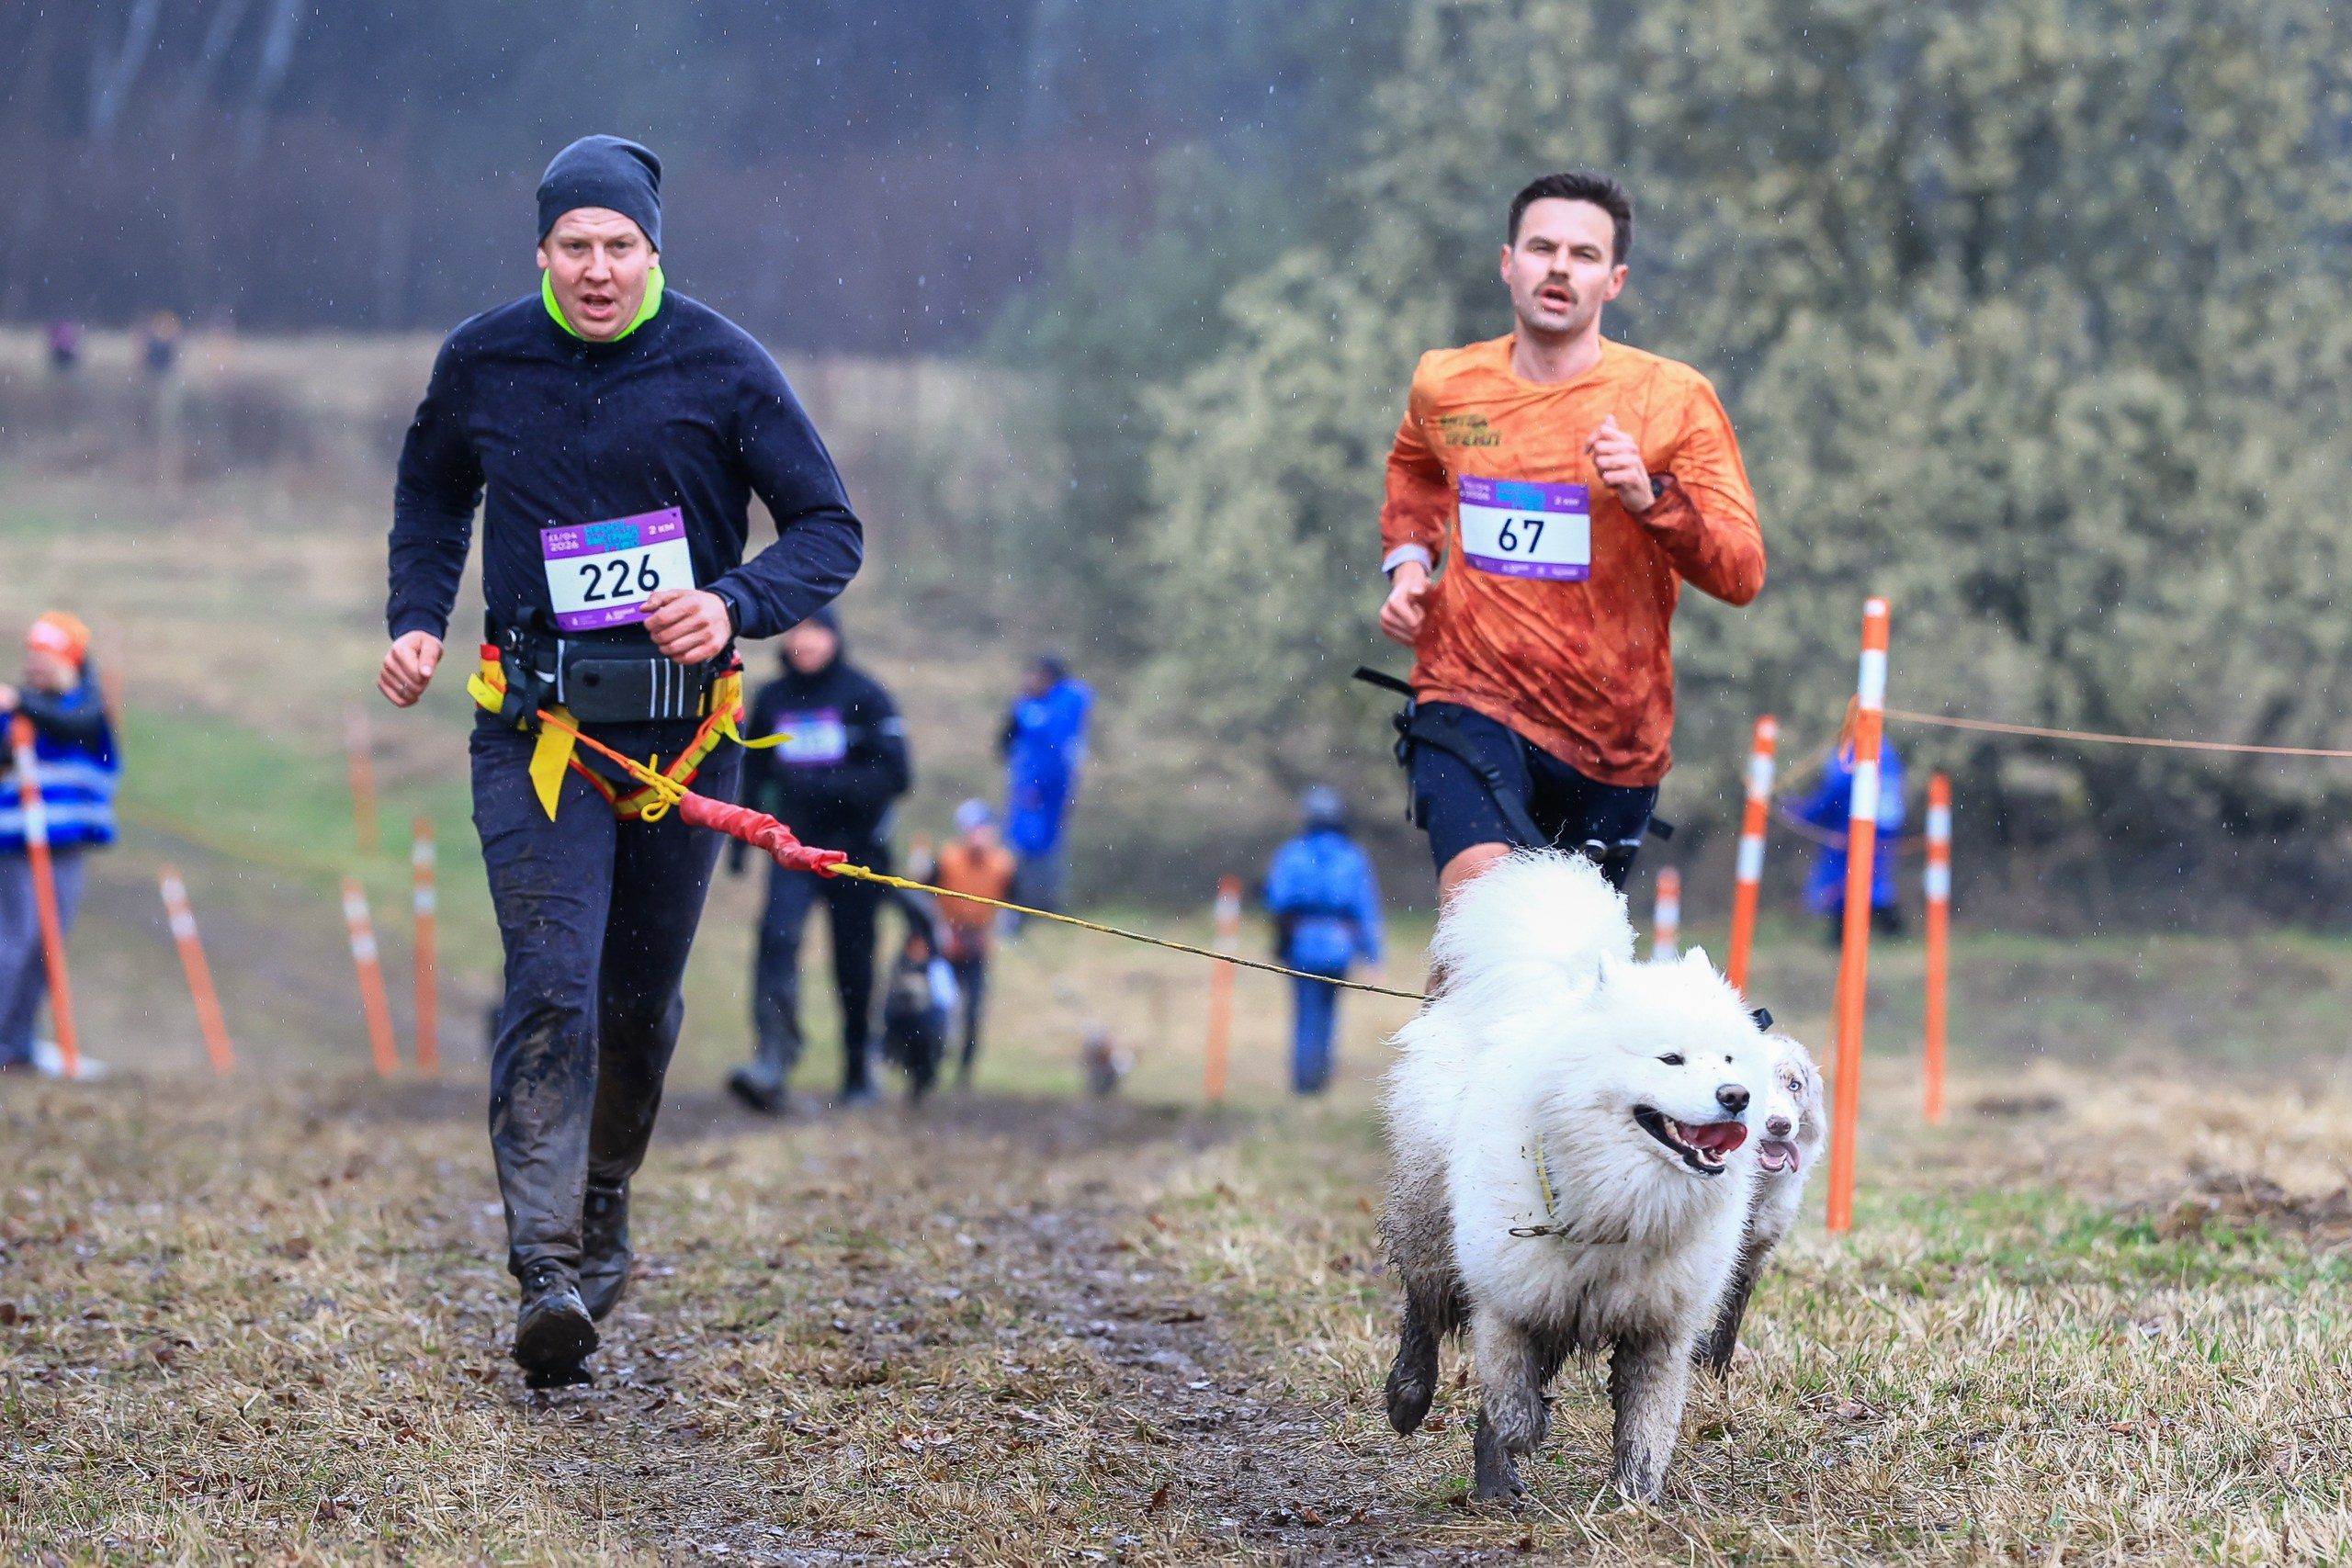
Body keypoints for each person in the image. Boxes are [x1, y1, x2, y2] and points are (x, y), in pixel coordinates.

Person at [377, 134, 863, 1385]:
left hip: (687, 745)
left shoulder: (722, 364)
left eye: (620, 246)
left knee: (638, 1007)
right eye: (575, 246)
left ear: (655, 249)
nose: (598, 270)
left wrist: (738, 599)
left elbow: (829, 526)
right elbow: (432, 491)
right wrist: (420, 614)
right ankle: (543, 1267)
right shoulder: (484, 359)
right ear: (542, 251)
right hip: (536, 737)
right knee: (552, 982)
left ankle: (601, 1204)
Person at [1375, 171, 1763, 905]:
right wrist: (1408, 565)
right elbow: (1417, 468)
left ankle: (1451, 1019)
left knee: (1547, 969)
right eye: (1541, 247)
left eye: (1583, 255)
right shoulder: (1447, 384)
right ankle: (1462, 995)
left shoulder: (1670, 400)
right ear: (1507, 263)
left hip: (1612, 741)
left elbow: (1742, 572)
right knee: (1483, 907)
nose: (1559, 266)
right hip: (1468, 696)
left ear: (1613, 281)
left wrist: (1654, 500)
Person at [724, 607, 910, 1114]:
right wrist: (740, 842)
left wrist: (829, 788)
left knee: (853, 961)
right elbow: (752, 770)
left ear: (833, 637)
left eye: (815, 631)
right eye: (796, 632)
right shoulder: (772, 699)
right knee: (777, 943)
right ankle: (773, 1063)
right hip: (792, 851)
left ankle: (856, 1071)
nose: (804, 642)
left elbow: (896, 774)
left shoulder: (865, 695)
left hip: (856, 853)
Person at [0, 614, 118, 1075]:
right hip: (16, 845)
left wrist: (21, 703)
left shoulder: (84, 709)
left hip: (66, 844)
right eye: (31, 659)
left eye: (45, 659)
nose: (35, 668)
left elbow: (74, 725)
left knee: (46, 946)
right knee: (14, 940)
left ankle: (18, 1040)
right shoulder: (15, 714)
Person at [1262, 785, 1385, 1095]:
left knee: (1305, 1013)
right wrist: (1373, 956)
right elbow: (1365, 909)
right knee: (1329, 1015)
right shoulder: (1352, 856)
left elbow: (1277, 899)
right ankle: (1321, 1080)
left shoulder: (1292, 854)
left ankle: (1304, 1083)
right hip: (1340, 947)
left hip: (1301, 944)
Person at [931, 798, 1016, 1087]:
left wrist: (1000, 928)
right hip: (947, 946)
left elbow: (1013, 900)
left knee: (974, 1010)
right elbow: (928, 893)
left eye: (984, 828)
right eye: (973, 829)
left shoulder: (1003, 864)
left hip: (978, 947)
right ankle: (932, 1062)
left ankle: (964, 1072)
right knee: (941, 1006)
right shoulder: (947, 859)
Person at [999, 652, 1091, 915]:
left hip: (1039, 790)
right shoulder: (1062, 704)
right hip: (1044, 790)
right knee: (1042, 846)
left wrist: (1024, 705)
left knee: (1030, 848)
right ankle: (1037, 908)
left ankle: (1027, 910)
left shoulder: (1049, 709)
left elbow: (1043, 745)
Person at [1790, 736, 1907, 942]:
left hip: (1854, 827)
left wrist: (1805, 813)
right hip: (1884, 827)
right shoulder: (1885, 749)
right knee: (1874, 878)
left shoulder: (1852, 751)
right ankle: (1889, 930)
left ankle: (1848, 934)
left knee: (1843, 879)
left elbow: (1836, 792)